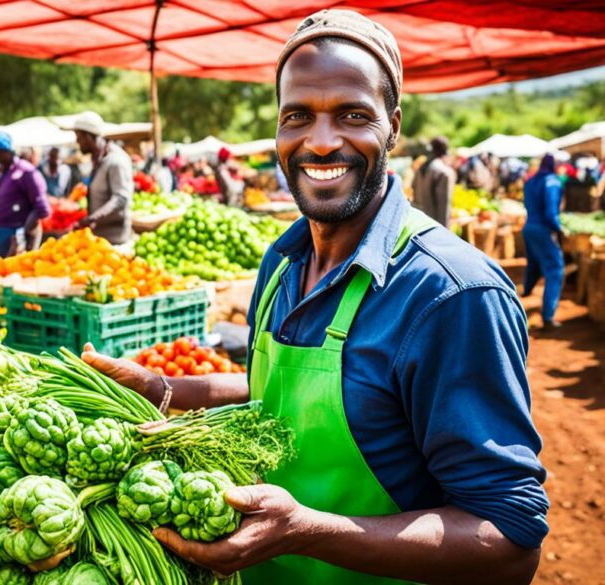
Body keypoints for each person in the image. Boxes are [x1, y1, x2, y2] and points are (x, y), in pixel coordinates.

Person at [83, 10, 547, 583]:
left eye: (353, 115)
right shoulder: (283, 261)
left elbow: (508, 541)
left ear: (393, 126)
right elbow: (281, 395)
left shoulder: (450, 295)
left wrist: (308, 530)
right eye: (297, 116)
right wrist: (169, 388)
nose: (321, 143)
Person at [0, 131, 50, 257]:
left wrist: (22, 232)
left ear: (4, 151)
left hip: (10, 239)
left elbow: (42, 209)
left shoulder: (26, 172)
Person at [73, 111, 134, 244]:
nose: (77, 142)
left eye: (79, 137)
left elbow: (120, 198)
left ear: (89, 136)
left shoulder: (115, 160)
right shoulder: (99, 159)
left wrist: (93, 218)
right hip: (99, 237)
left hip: (115, 240)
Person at [522, 154, 565, 328]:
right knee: (555, 270)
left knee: (534, 263)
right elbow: (550, 212)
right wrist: (559, 228)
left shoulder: (531, 181)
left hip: (529, 227)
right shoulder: (552, 182)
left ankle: (525, 292)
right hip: (542, 229)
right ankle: (548, 316)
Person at [411, 136, 455, 227]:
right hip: (433, 226)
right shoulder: (444, 172)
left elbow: (413, 190)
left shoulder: (420, 168)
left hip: (417, 223)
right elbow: (444, 206)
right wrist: (445, 232)